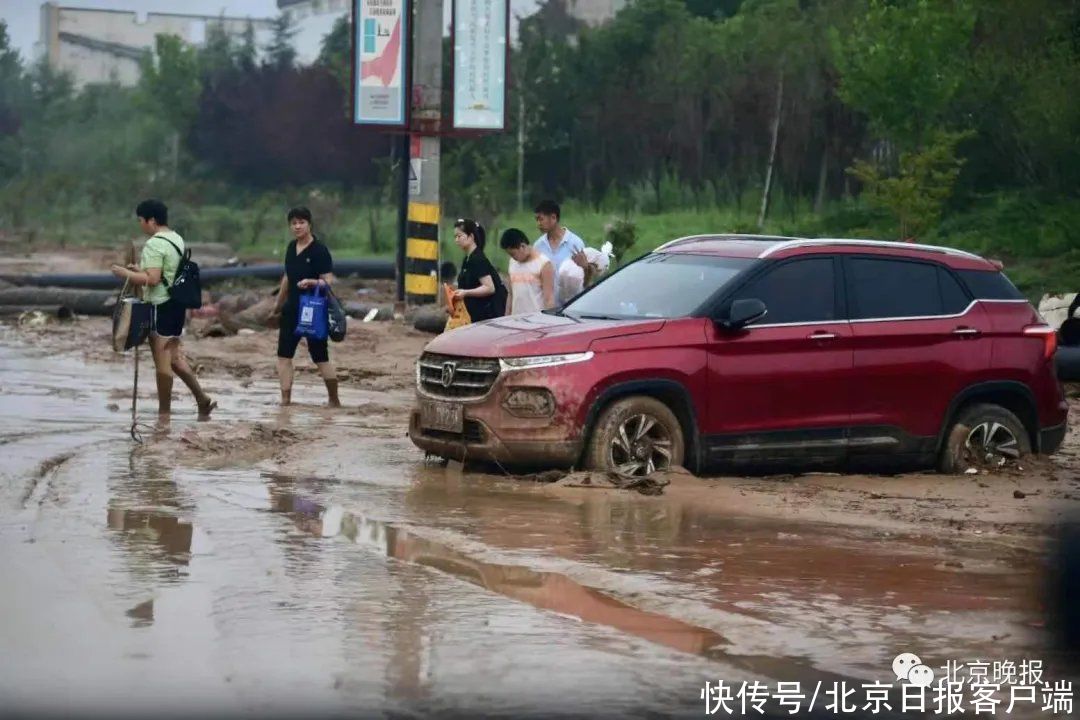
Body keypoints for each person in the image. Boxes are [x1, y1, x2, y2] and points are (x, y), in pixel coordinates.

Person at [111, 199, 216, 419]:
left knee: (163, 364)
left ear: (150, 220)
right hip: (176, 306)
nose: (140, 225)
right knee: (175, 359)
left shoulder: (154, 243)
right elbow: (166, 273)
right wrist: (140, 269)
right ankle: (202, 399)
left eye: (140, 220)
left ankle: (164, 415)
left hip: (161, 307)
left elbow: (153, 279)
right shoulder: (175, 238)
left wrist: (125, 274)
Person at [270, 206, 339, 408]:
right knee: (284, 355)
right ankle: (285, 400)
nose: (297, 226)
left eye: (301, 222)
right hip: (292, 308)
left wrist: (312, 282)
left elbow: (328, 282)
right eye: (294, 223)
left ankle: (334, 399)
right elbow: (287, 278)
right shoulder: (292, 248)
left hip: (313, 309)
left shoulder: (320, 251)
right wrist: (277, 304)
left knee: (320, 356)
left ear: (309, 224)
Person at [533, 200, 588, 306]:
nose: (538, 224)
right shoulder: (538, 246)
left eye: (541, 219)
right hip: (546, 306)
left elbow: (583, 274)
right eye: (537, 220)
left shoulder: (575, 243)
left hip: (571, 305)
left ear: (553, 218)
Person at [451, 218, 506, 322]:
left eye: (459, 236)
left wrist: (466, 292)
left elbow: (489, 288)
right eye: (455, 237)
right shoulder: (467, 259)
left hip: (486, 317)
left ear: (471, 237)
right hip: (474, 315)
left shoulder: (478, 259)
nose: (456, 240)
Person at [500, 227, 554, 315]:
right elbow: (510, 294)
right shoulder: (512, 262)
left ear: (522, 246)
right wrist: (506, 316)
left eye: (513, 254)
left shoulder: (543, 264)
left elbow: (549, 298)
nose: (513, 257)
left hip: (536, 319)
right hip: (516, 319)